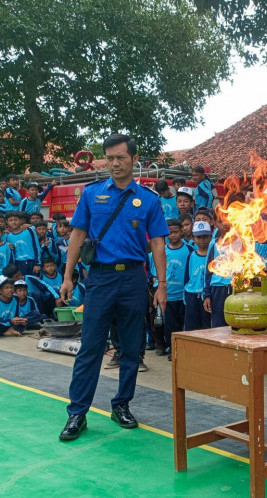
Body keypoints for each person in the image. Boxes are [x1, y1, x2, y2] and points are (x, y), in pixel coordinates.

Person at [58, 133, 169, 442]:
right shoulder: (92, 194)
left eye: (121, 157)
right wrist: (68, 277)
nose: (115, 163)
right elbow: (77, 237)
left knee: (131, 347)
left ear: (134, 159)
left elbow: (158, 244)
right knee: (91, 347)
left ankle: (121, 404)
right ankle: (77, 413)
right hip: (101, 279)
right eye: (110, 158)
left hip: (134, 279)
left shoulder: (148, 199)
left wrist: (161, 285)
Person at [159, 219, 190, 357]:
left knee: (183, 324)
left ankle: (183, 350)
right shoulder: (163, 251)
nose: (173, 235)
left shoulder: (189, 249)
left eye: (176, 232)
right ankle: (172, 349)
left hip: (183, 295)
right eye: (170, 233)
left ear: (182, 232)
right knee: (170, 325)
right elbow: (157, 271)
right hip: (168, 295)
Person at [183, 221, 212, 331]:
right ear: (194, 238)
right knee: (192, 326)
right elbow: (187, 277)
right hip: (192, 294)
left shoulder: (212, 255)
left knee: (207, 325)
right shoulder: (191, 256)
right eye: (199, 237)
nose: (202, 240)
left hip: (206, 296)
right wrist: (186, 296)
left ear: (210, 237)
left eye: (205, 236)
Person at [203, 217, 232, 328]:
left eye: (227, 219)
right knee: (219, 325)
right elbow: (208, 270)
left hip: (235, 288)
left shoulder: (242, 241)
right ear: (215, 223)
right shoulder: (214, 244)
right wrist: (207, 295)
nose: (225, 223)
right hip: (218, 289)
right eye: (220, 221)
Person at [5, 211, 41, 277]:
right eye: (11, 220)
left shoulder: (29, 230)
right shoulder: (9, 236)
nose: (14, 222)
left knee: (34, 283)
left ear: (20, 220)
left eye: (16, 220)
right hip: (18, 263)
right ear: (7, 222)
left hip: (31, 262)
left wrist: (37, 263)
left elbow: (36, 246)